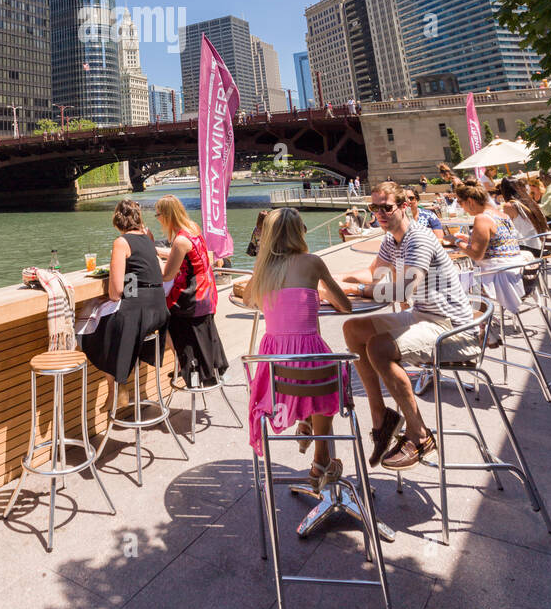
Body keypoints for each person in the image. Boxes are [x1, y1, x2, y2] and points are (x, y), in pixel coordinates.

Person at [339, 182, 478, 470]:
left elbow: (403, 290)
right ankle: (382, 416)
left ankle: (420, 435)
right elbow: (373, 273)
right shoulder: (391, 240)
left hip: (452, 327)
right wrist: (335, 281)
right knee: (353, 329)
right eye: (374, 208)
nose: (379, 213)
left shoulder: (419, 239)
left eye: (386, 207)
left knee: (379, 347)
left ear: (404, 206)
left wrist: (357, 292)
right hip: (423, 315)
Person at [246, 208, 353, 492]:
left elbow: (247, 299)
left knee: (310, 377)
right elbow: (346, 305)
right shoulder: (313, 263)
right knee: (328, 378)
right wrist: (318, 294)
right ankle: (321, 459)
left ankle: (307, 426)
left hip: (274, 370)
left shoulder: (263, 268)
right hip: (311, 362)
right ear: (299, 232)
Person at [78, 200, 169, 397]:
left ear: (117, 220)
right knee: (114, 325)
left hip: (140, 315)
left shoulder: (121, 243)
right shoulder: (147, 238)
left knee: (94, 330)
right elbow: (139, 277)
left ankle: (117, 386)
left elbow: (115, 292)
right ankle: (119, 384)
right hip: (159, 310)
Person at [155, 195, 229, 387]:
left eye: (158, 215)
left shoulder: (180, 240)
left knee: (161, 316)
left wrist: (151, 261)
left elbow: (167, 275)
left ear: (166, 215)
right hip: (207, 292)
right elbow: (182, 256)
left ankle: (184, 362)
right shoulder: (192, 229)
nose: (157, 219)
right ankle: (188, 363)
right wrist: (155, 250)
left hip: (192, 298)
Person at [453, 181, 526, 315]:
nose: (461, 207)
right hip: (519, 273)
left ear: (470, 201)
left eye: (460, 202)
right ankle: (483, 327)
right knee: (464, 279)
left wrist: (456, 241)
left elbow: (476, 255)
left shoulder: (482, 218)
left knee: (452, 283)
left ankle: (481, 328)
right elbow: (498, 243)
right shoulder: (501, 215)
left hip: (501, 277)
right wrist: (469, 239)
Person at [499, 176, 547, 253]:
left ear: (504, 190)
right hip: (541, 244)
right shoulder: (529, 200)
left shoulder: (510, 205)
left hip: (527, 248)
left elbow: (505, 227)